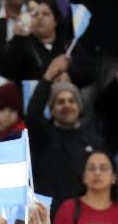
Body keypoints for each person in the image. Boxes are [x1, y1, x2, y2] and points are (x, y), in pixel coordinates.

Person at [26, 65, 107, 213]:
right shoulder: (43, 137)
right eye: (60, 102)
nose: (67, 105)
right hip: (50, 216)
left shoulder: (95, 142)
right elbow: (33, 114)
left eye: (71, 101)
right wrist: (47, 78)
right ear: (51, 109)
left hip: (86, 215)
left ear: (79, 107)